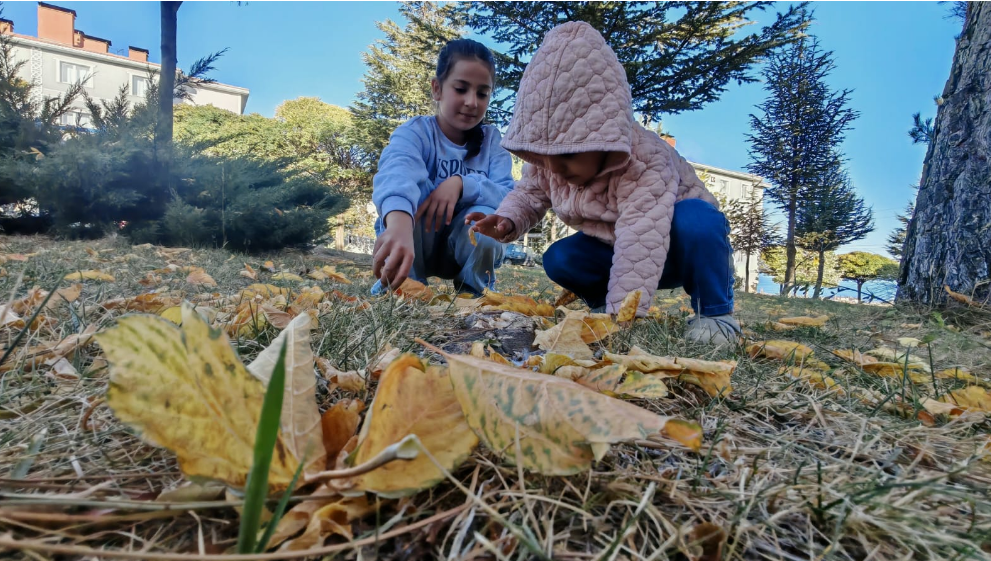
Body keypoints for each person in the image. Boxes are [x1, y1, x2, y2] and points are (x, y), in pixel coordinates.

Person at [467, 22, 741, 345]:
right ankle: (600, 302)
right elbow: (528, 193)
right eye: (545, 157)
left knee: (698, 220)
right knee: (560, 257)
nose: (555, 168)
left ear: (602, 138)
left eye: (568, 154)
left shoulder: (643, 159)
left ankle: (715, 313)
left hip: (679, 247)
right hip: (615, 247)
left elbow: (641, 235)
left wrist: (620, 320)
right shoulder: (551, 164)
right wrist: (507, 219)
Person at [371, 38, 514, 297]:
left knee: (486, 216)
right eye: (461, 89)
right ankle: (403, 288)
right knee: (411, 195)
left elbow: (509, 197)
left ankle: (475, 294)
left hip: (462, 248)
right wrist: (398, 225)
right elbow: (397, 172)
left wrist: (462, 184)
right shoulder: (416, 132)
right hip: (414, 243)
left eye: (482, 93)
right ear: (437, 89)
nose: (472, 102)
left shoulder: (493, 142)